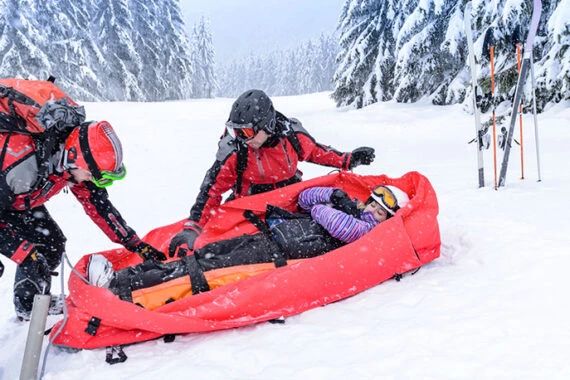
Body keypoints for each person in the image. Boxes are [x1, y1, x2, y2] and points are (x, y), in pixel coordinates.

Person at [88, 185, 410, 306]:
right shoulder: (352, 209)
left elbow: (330, 221)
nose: (371, 210)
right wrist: (331, 194)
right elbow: (305, 198)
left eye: (380, 212)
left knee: (199, 274)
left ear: (386, 220)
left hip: (276, 258)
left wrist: (327, 207)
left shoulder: (366, 233)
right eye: (371, 204)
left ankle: (122, 292)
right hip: (270, 240)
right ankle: (127, 277)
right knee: (199, 258)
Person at [169, 89, 376, 257]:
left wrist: (349, 159)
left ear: (266, 125)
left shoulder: (291, 136)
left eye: (247, 132)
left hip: (291, 204)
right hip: (250, 209)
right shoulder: (236, 150)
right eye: (236, 131)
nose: (241, 137)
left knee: (310, 240)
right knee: (238, 251)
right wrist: (192, 228)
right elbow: (210, 191)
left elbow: (316, 152)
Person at [0, 120, 165, 320]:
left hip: (14, 200)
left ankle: (30, 305)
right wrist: (23, 253)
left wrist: (134, 243)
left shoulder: (70, 161)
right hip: (8, 194)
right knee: (30, 256)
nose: (89, 180)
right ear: (75, 159)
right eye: (89, 174)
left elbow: (100, 207)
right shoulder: (21, 165)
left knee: (51, 243)